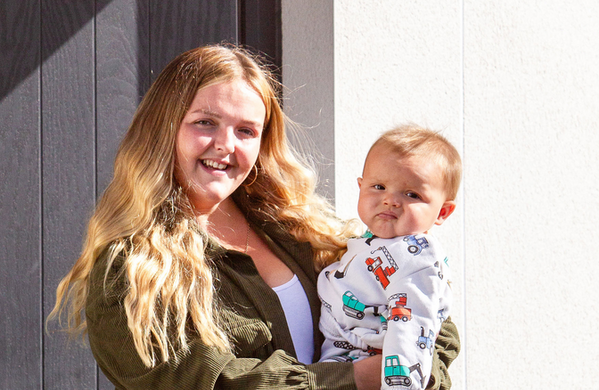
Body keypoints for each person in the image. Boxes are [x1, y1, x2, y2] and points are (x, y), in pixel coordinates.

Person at [48, 44, 459, 390]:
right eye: (205, 122)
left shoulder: (299, 229)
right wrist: (358, 378)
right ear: (164, 128)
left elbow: (432, 322)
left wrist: (412, 373)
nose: (225, 145)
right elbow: (202, 382)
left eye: (246, 130)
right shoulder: (131, 269)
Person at [316, 125, 460, 389]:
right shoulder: (372, 241)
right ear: (361, 187)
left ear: (442, 212)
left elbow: (410, 335)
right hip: (340, 365)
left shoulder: (416, 257)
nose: (390, 200)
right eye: (379, 186)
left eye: (411, 194)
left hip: (371, 368)